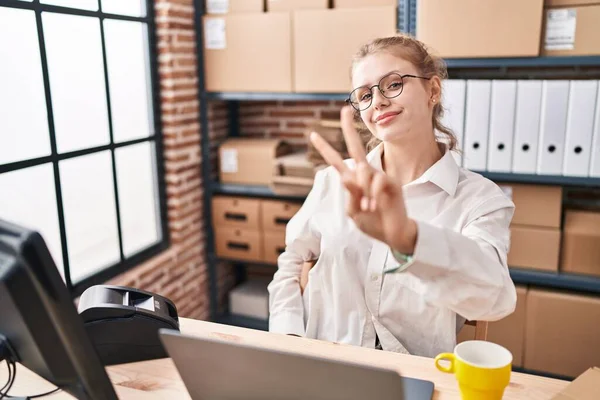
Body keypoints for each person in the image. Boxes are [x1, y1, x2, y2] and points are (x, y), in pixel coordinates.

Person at [267, 34, 516, 358]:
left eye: (393, 84)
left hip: (415, 376)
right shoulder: (333, 181)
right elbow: (292, 261)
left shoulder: (480, 200)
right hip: (323, 367)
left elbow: (494, 300)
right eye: (364, 95)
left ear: (433, 90)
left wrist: (409, 240)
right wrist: (287, 340)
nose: (378, 101)